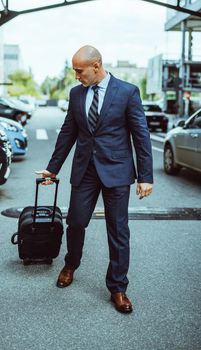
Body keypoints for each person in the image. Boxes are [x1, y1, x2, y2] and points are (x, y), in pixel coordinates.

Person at [36, 45, 153, 313]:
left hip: (118, 171)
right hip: (85, 170)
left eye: (80, 70)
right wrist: (52, 168)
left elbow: (141, 135)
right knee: (75, 222)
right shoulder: (76, 93)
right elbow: (68, 132)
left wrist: (145, 176)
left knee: (118, 230)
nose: (76, 76)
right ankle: (71, 263)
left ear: (96, 66)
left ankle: (118, 287)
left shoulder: (127, 91)